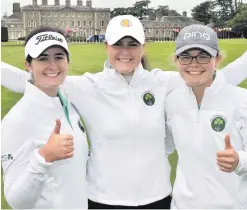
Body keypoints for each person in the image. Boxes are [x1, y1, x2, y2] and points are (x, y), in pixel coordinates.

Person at [1, 15, 247, 209]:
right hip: (102, 201)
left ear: (143, 46)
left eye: (132, 44)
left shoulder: (164, 83)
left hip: (158, 199)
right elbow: (32, 79)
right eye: (118, 43)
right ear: (106, 46)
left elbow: (218, 77)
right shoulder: (86, 86)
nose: (125, 51)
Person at [1, 27, 89, 209]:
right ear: (28, 65)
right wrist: (44, 157)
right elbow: (16, 201)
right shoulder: (16, 120)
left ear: (67, 61)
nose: (52, 66)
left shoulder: (67, 104)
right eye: (43, 58)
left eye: (58, 57)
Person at [165, 24, 247, 209]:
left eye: (203, 56)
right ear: (176, 61)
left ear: (217, 59)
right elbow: (163, 147)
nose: (194, 64)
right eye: (186, 57)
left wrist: (239, 160)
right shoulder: (172, 102)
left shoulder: (242, 100)